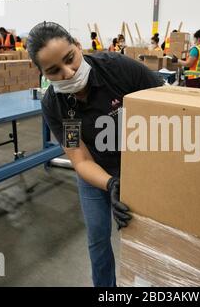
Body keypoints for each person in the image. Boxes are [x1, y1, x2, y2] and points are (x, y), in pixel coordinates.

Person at [26, 22, 164, 287]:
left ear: (78, 46)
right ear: (43, 74)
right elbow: (80, 159)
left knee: (147, 235)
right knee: (98, 239)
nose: (68, 73)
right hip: (96, 173)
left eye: (70, 59)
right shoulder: (57, 104)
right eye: (54, 71)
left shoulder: (117, 69)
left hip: (140, 165)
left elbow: (166, 105)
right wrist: (111, 184)